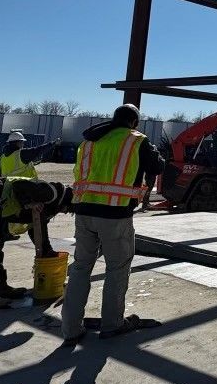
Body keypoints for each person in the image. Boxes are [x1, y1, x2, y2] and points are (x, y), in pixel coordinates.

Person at [61, 103, 165, 343]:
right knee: (117, 269)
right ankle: (112, 324)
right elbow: (157, 166)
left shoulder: (89, 141)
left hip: (84, 211)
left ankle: (70, 329)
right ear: (134, 123)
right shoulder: (136, 141)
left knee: (80, 267)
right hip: (115, 214)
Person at [0, 177, 72, 310]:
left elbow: (36, 225)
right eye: (67, 210)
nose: (64, 212)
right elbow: (19, 185)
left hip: (0, 204)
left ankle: (1, 288)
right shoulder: (50, 193)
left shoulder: (51, 203)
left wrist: (46, 250)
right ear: (65, 202)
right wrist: (27, 204)